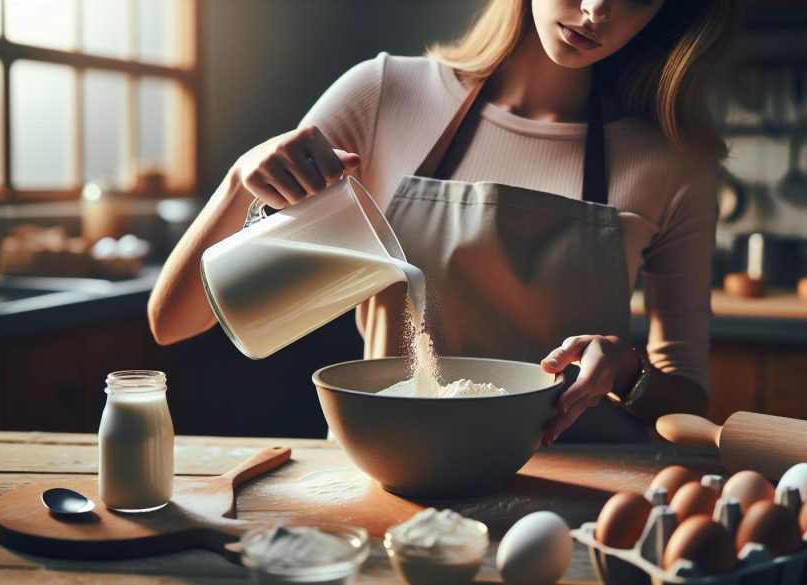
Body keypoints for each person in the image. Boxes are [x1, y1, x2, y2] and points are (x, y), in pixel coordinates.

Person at [148, 0, 742, 446]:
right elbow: (174, 320)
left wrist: (628, 369)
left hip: (575, 482)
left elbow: (687, 397)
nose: (596, 10)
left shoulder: (671, 163)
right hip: (391, 467)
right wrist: (239, 179)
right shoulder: (385, 95)